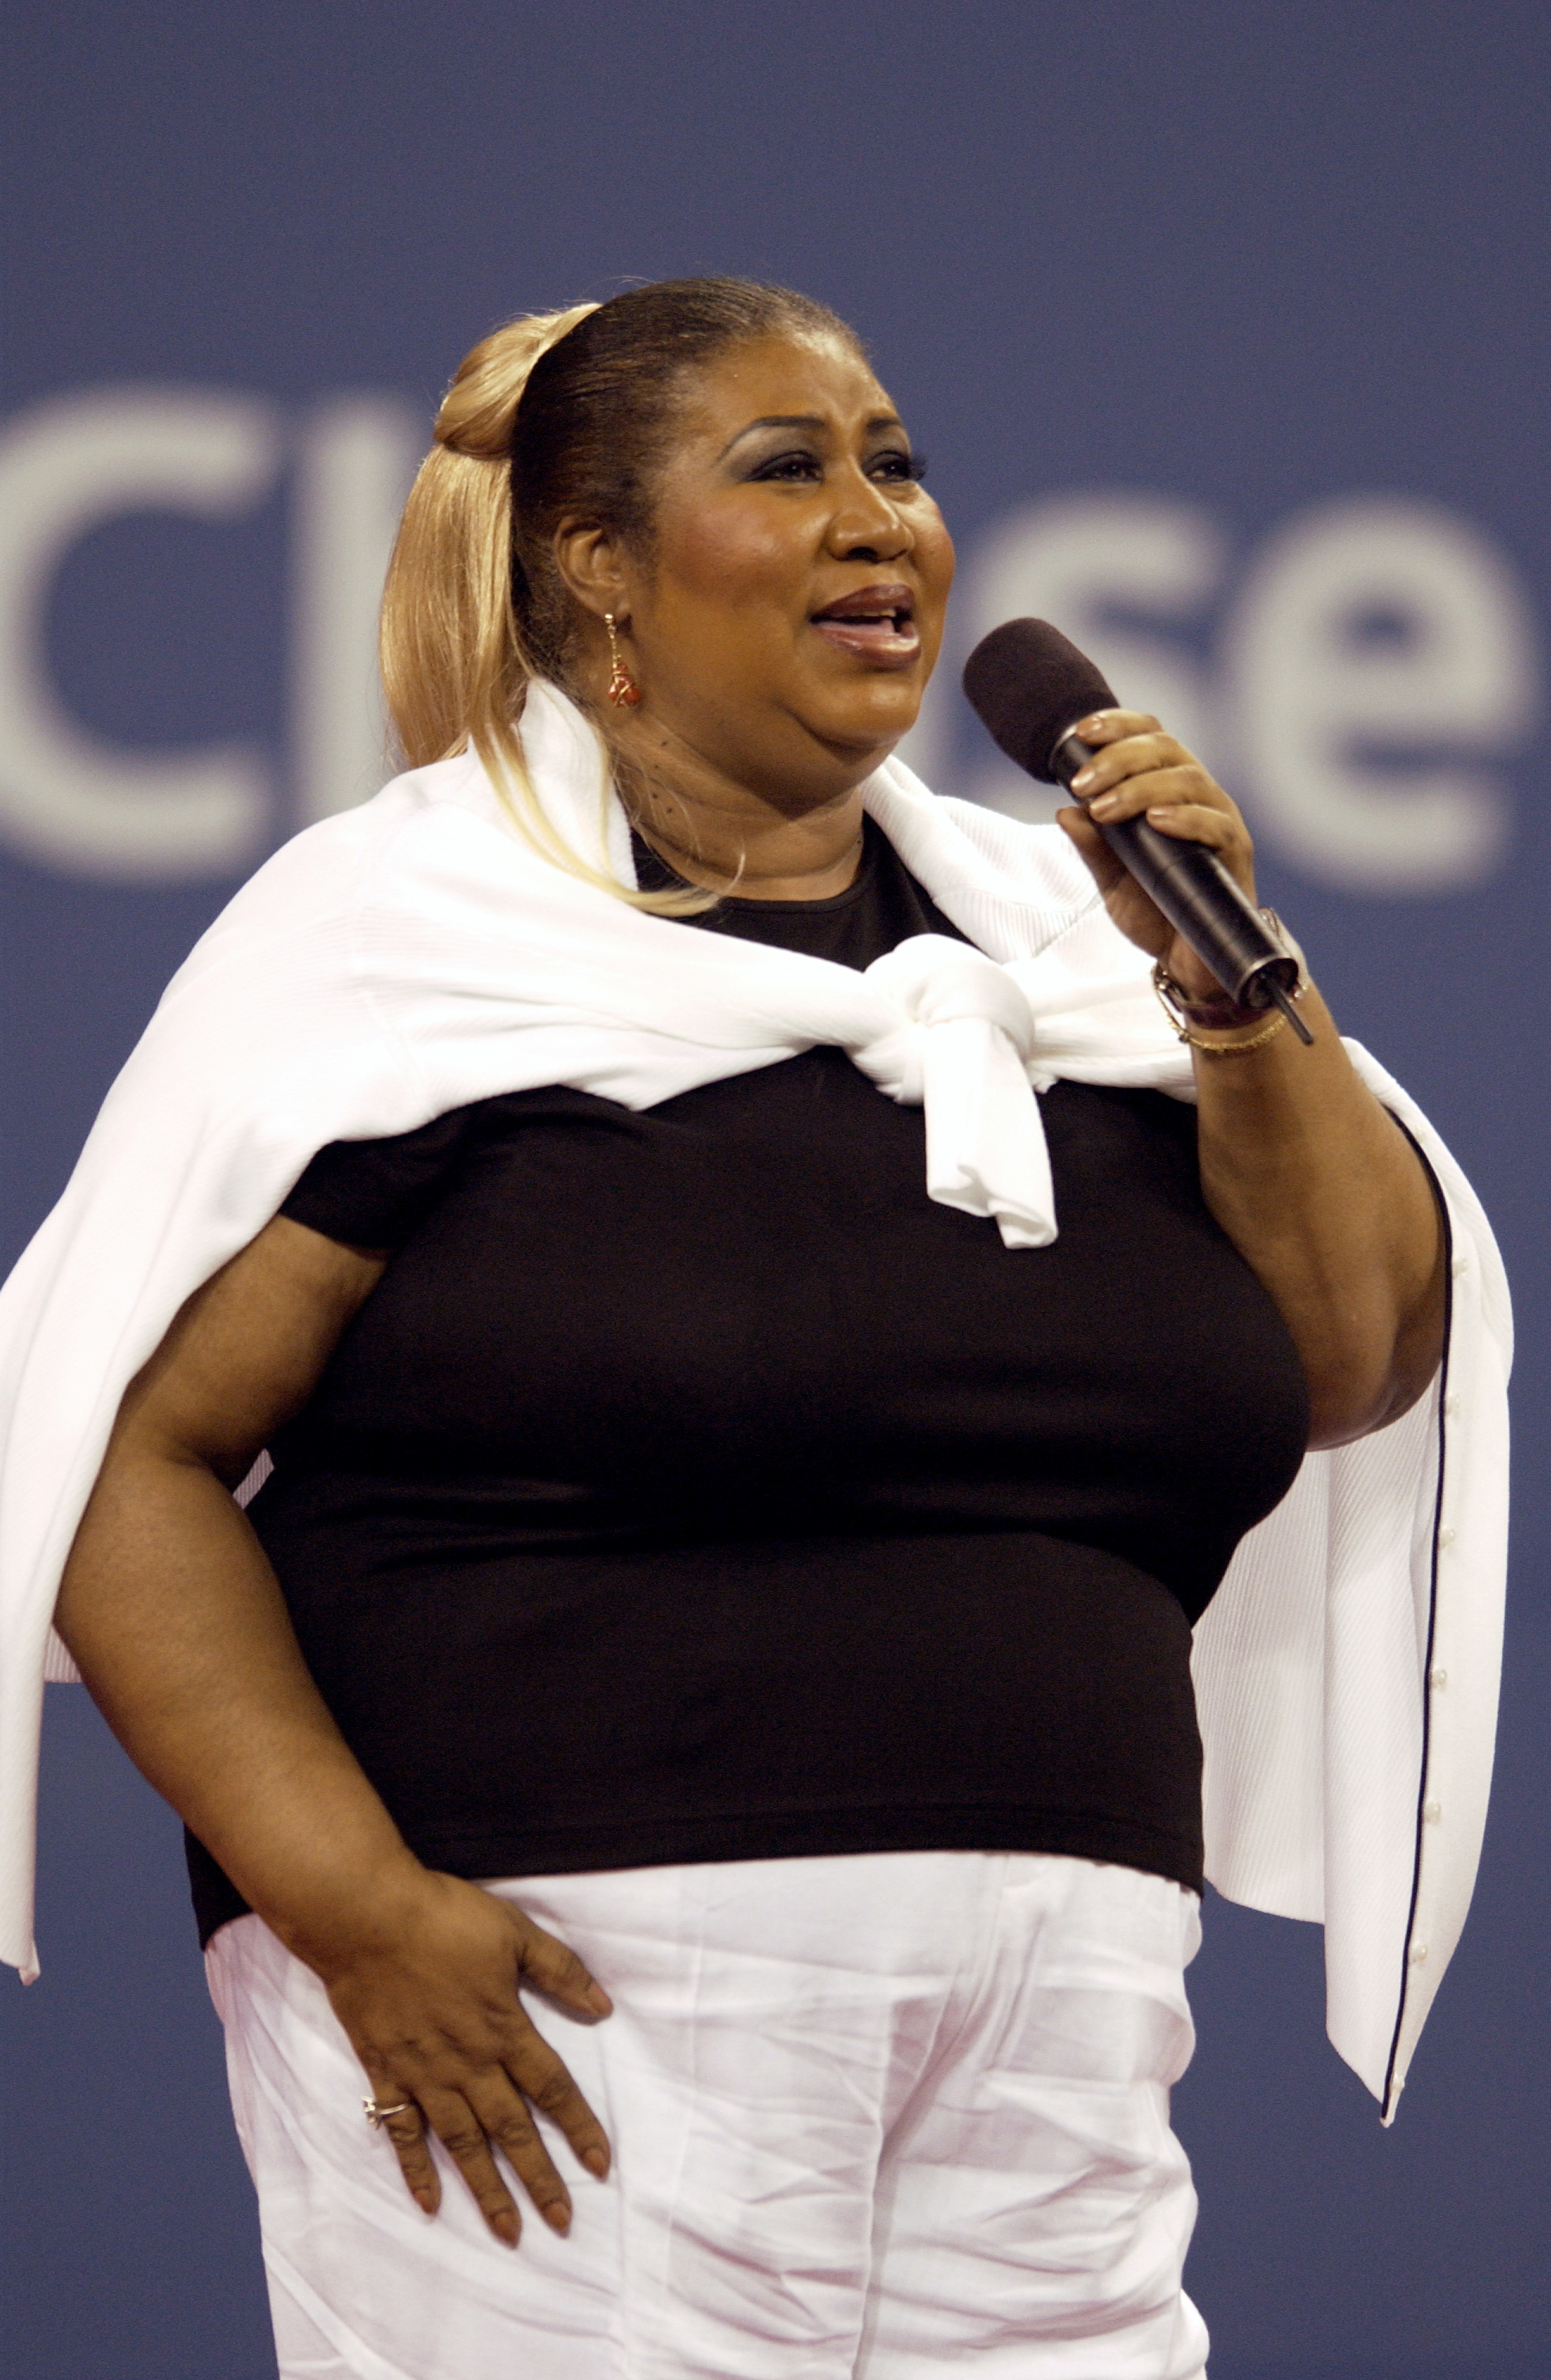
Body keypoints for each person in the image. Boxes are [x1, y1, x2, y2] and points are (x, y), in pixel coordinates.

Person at [0, 279, 1508, 2380]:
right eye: (785, 470)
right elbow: (107, 1460)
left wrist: (1235, 991)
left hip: (1056, 2037)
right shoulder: (435, 946)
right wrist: (348, 1904)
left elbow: (1348, 1357)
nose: (876, 514)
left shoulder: (1069, 949)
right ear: (595, 576)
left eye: (895, 461)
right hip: (568, 2024)